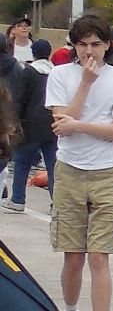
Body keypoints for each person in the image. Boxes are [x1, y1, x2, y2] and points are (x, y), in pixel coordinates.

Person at [45, 15, 113, 311]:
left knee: (100, 255)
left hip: (108, 172)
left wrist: (81, 126)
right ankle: (71, 307)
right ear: (73, 45)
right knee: (73, 255)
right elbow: (61, 123)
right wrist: (85, 84)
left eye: (96, 44)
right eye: (82, 44)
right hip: (70, 169)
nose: (89, 51)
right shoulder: (60, 75)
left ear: (108, 45)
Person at [2, 39, 57, 212]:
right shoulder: (56, 72)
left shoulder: (29, 72)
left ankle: (18, 199)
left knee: (22, 162)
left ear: (33, 52)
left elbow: (19, 98)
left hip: (31, 124)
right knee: (53, 166)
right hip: (53, 123)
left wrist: (15, 121)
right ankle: (58, 203)